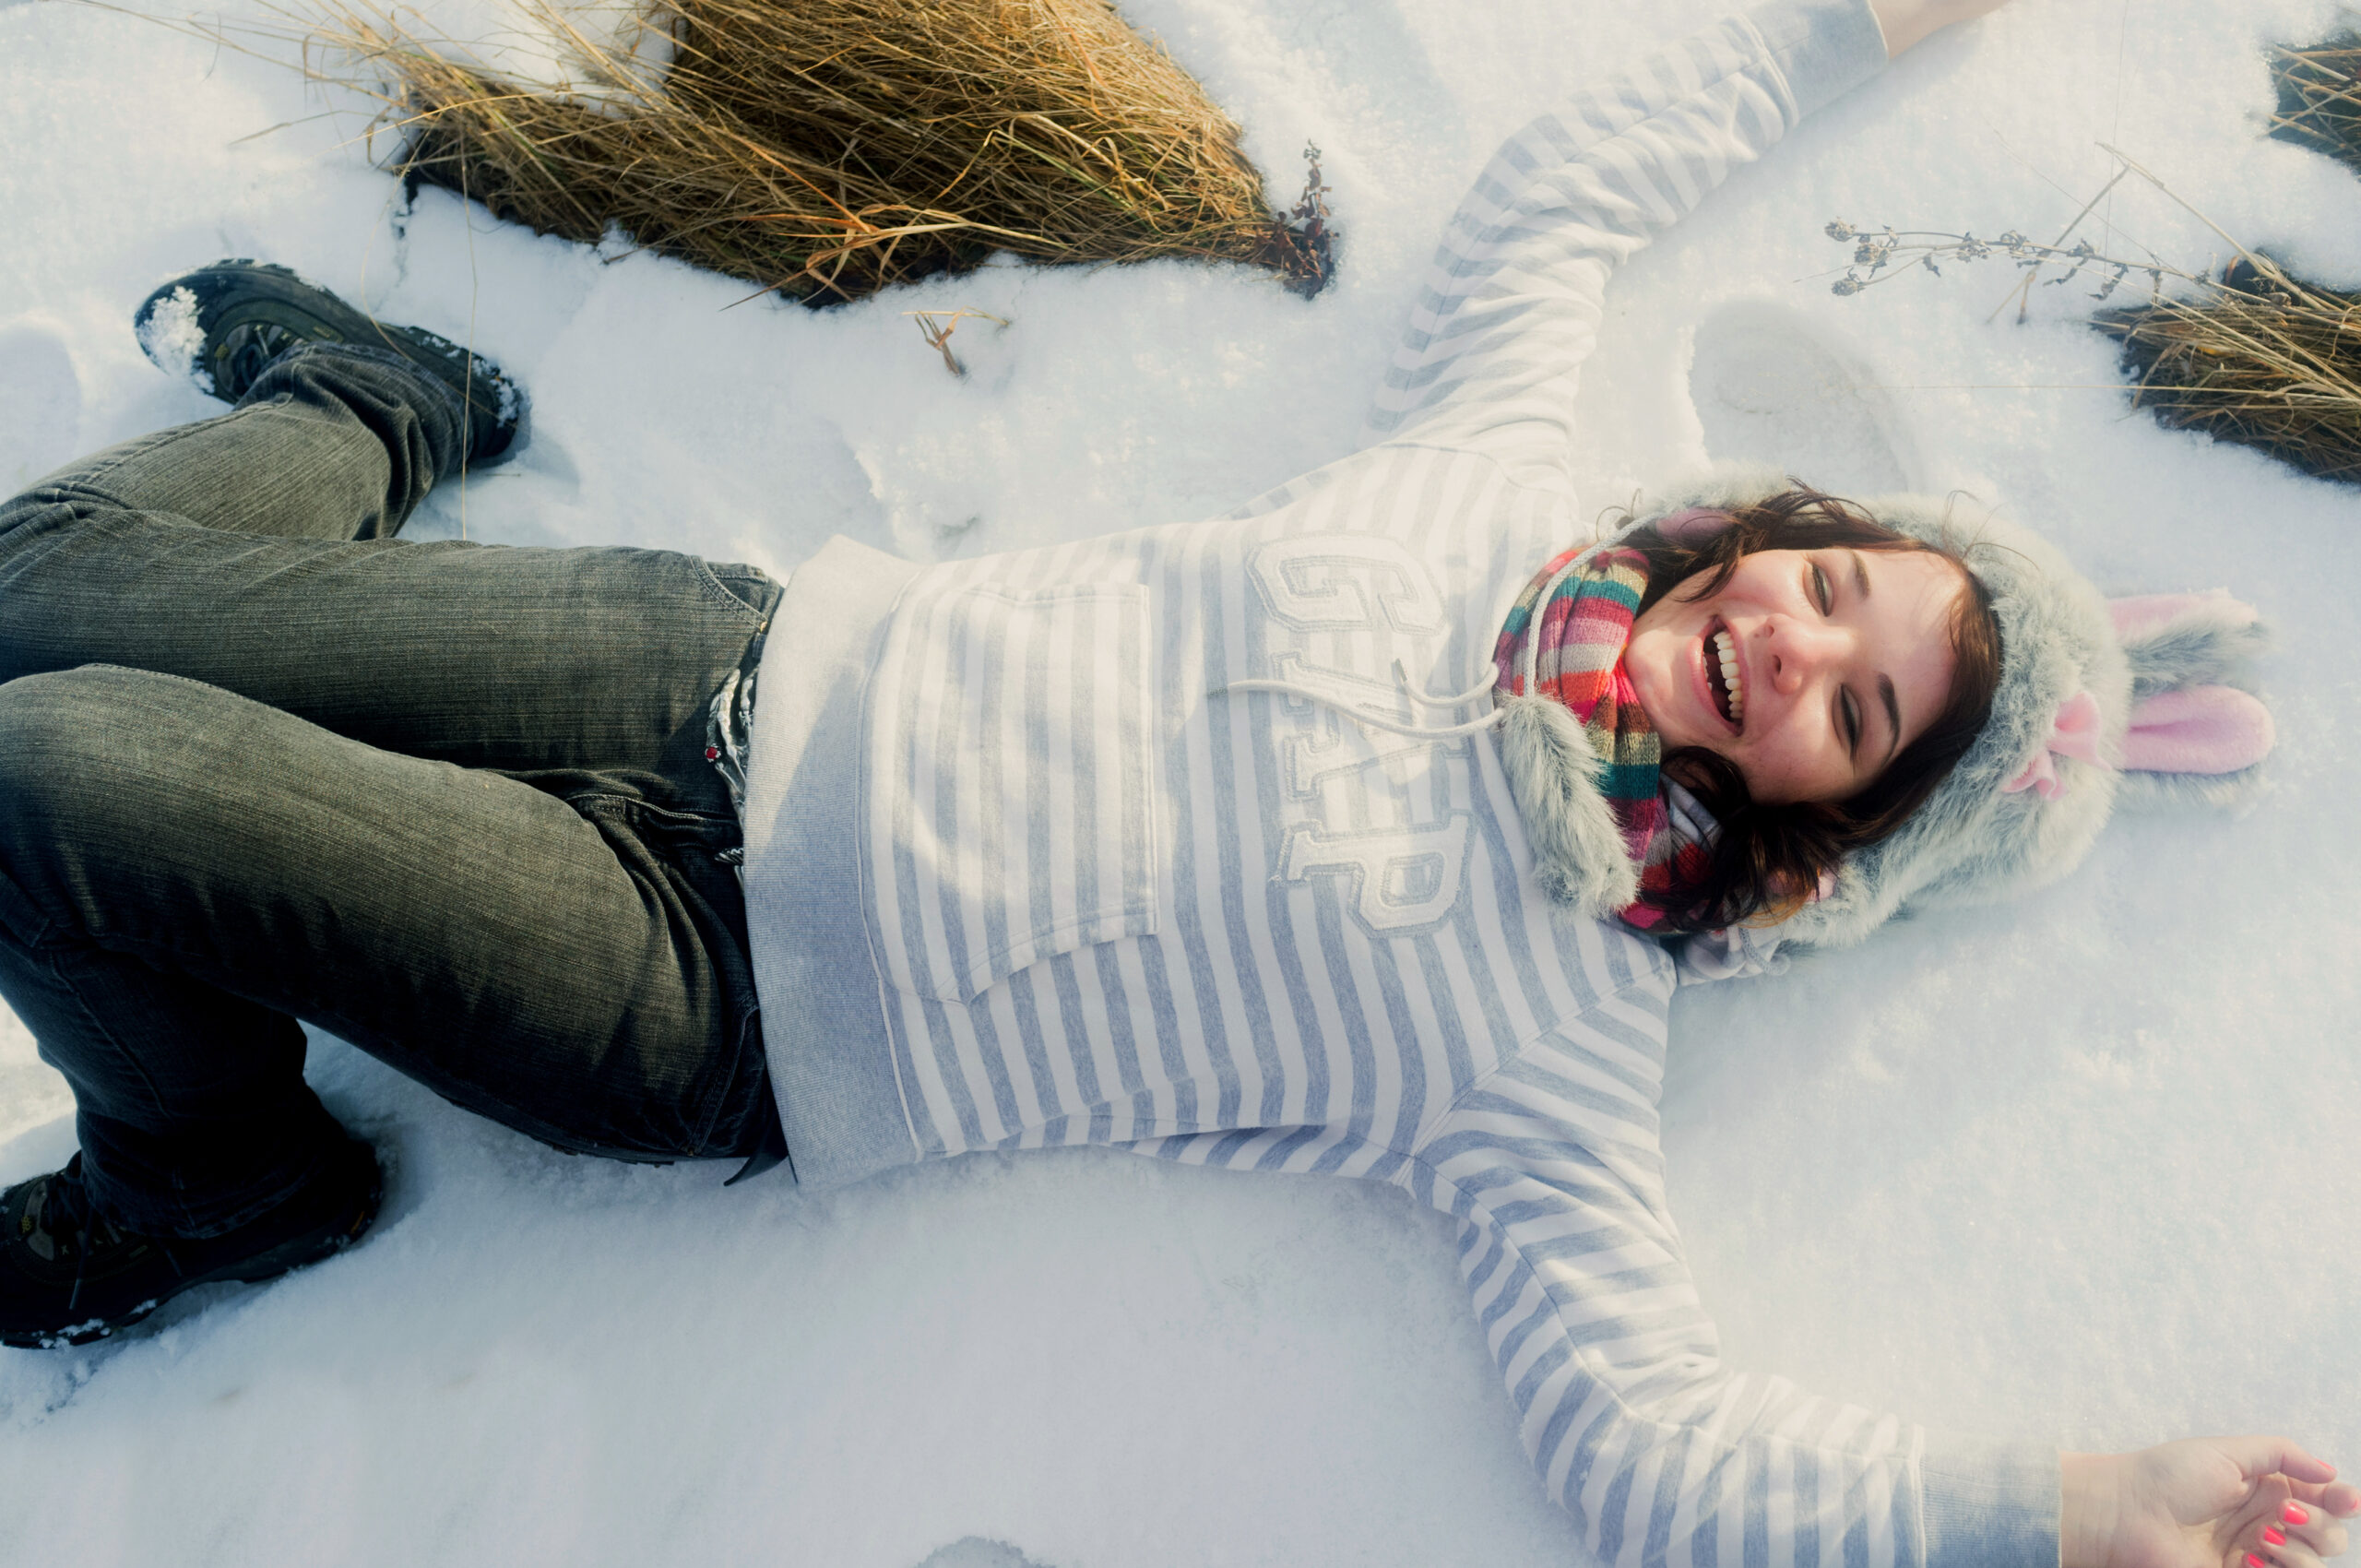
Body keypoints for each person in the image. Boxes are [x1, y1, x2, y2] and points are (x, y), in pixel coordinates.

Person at [0, 0, 2343, 1563]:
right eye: (1846, 585)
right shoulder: (1483, 492)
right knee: (33, 603)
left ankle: (218, 1177)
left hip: (704, 999)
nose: (1798, 644)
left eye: (1858, 718)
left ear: (1824, 848)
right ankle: (377, 411)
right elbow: (1565, 194)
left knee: (45, 761)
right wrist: (1859, 21)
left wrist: (2053, 1505)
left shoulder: (1543, 1046)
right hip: (712, 664)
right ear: (1797, 533)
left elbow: (1655, 1454)